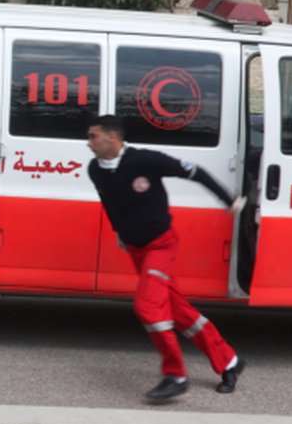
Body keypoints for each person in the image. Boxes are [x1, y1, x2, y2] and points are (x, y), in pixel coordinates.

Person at [86, 114, 247, 401]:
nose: (88, 143)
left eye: (93, 136)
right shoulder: (95, 170)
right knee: (178, 311)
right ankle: (230, 361)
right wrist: (119, 232)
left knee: (148, 307)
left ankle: (175, 375)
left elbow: (194, 171)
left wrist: (229, 200)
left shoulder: (144, 160)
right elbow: (110, 203)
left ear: (112, 137)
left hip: (161, 246)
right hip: (137, 250)